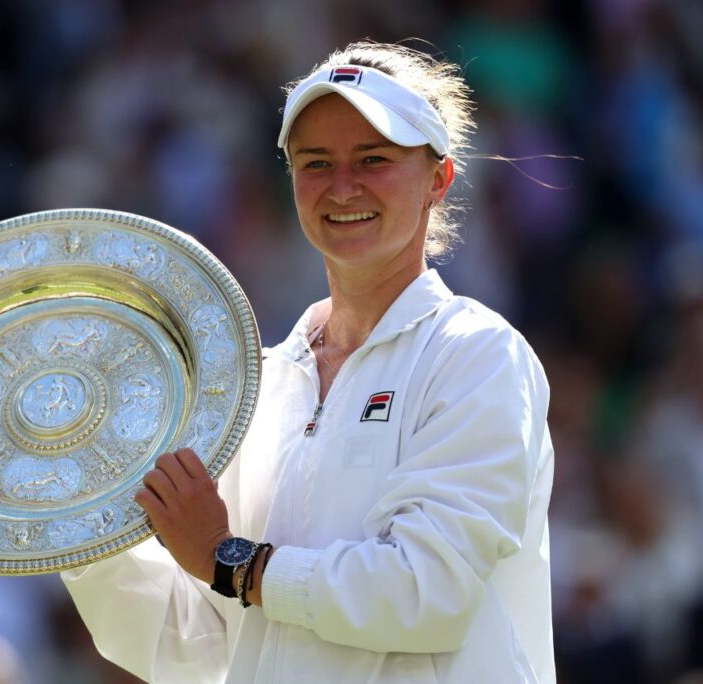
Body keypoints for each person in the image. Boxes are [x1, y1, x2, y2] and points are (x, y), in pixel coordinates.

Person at [62, 41, 555, 683]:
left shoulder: (477, 353)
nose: (342, 186)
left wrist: (228, 558)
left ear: (438, 179)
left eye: (373, 159)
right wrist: (76, 521)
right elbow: (200, 647)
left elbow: (426, 595)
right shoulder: (258, 385)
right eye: (315, 162)